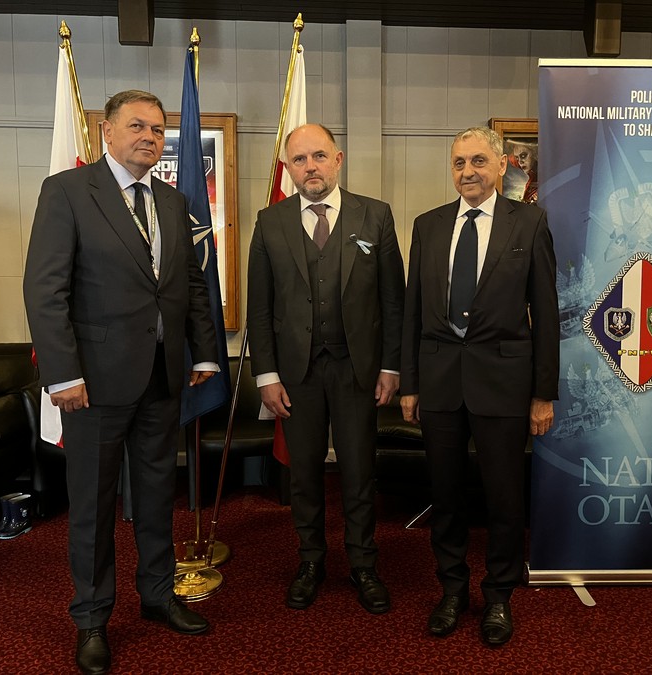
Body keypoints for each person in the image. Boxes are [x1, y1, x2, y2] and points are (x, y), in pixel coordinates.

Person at [23, 90, 219, 675]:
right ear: (106, 132)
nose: (149, 137)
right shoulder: (67, 191)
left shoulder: (172, 200)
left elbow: (190, 285)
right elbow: (45, 289)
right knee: (92, 507)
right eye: (137, 126)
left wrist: (206, 355)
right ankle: (91, 618)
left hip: (162, 377)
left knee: (157, 497)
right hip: (92, 384)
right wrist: (62, 373)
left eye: (158, 130)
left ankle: (158, 596)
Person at [400, 127, 559, 646]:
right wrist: (410, 384)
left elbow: (547, 314)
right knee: (445, 497)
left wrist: (542, 394)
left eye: (477, 161)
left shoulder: (529, 222)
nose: (467, 172)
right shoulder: (427, 225)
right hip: (440, 383)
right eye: (458, 163)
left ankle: (498, 597)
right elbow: (412, 311)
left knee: (504, 499)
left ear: (501, 164)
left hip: (505, 384)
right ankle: (452, 591)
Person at [247, 123, 405, 614]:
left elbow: (393, 301)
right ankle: (311, 560)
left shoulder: (375, 215)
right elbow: (259, 308)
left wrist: (392, 366)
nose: (310, 167)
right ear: (288, 168)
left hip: (358, 370)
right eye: (299, 159)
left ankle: (363, 564)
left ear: (338, 159)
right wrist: (266, 375)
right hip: (296, 375)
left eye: (318, 156)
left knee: (359, 471)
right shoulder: (269, 222)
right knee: (305, 475)